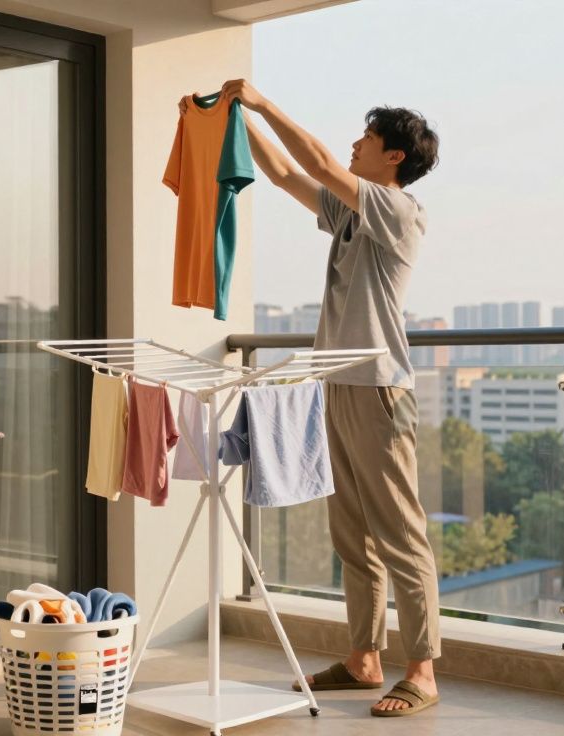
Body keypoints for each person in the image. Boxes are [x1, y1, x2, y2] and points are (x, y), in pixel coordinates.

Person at [183, 79, 441, 717]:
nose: (355, 144)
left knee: (401, 534)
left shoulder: (398, 211)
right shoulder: (353, 216)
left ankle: (423, 672)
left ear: (394, 159)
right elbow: (283, 174)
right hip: (338, 389)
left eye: (368, 138)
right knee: (352, 534)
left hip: (380, 392)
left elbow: (320, 164)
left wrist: (266, 102)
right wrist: (230, 118)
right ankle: (363, 659)